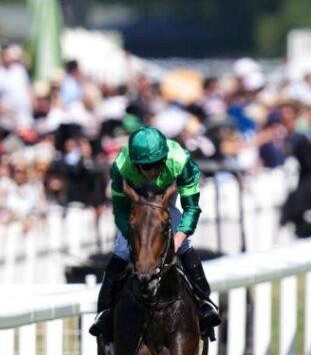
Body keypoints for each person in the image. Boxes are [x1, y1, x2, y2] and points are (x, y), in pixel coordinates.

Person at [89, 127, 221, 341]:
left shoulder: (181, 161)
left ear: (165, 158)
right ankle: (104, 312)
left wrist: (178, 239)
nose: (151, 171)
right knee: (121, 250)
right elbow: (121, 211)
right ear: (135, 163)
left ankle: (205, 305)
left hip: (166, 201)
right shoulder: (121, 167)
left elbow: (191, 209)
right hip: (137, 203)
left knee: (185, 247)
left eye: (156, 164)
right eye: (145, 167)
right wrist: (134, 239)